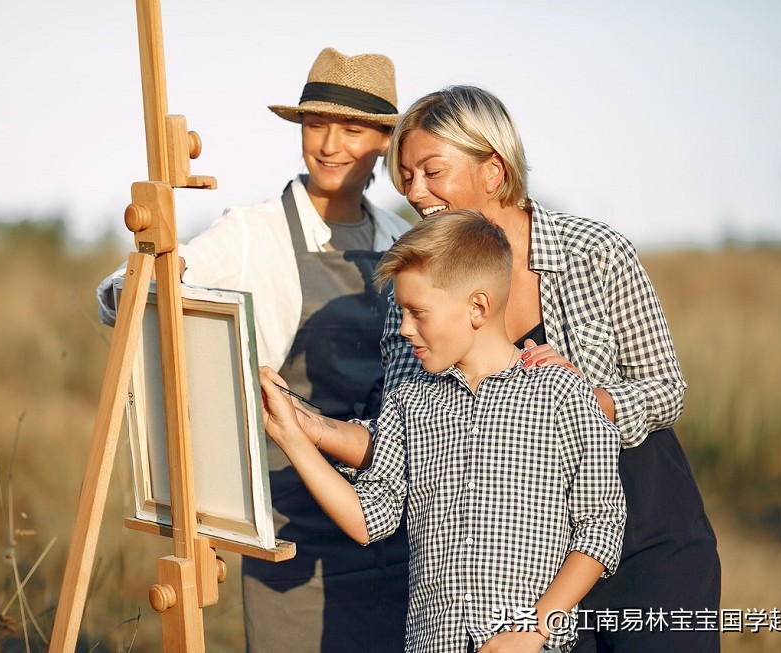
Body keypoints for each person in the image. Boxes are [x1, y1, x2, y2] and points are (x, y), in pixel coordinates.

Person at [304, 85, 722, 652]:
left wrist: (586, 400)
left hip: (648, 538)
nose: (415, 192)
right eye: (406, 177)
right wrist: (308, 427)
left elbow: (667, 390)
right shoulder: (415, 293)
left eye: (432, 171)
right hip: (526, 574)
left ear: (493, 171)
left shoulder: (595, 253)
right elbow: (405, 436)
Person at [96, 48, 412, 653]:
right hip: (290, 514)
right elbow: (134, 287)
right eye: (315, 125)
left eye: (351, 129)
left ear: (383, 143)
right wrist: (140, 288)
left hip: (395, 507)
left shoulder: (407, 239)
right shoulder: (253, 230)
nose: (328, 145)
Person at [259, 210, 627, 653]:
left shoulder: (562, 392)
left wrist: (535, 629)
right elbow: (367, 522)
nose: (403, 329)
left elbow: (601, 527)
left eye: (417, 313)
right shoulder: (406, 402)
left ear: (477, 307)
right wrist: (293, 440)